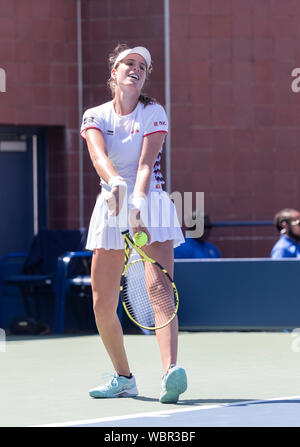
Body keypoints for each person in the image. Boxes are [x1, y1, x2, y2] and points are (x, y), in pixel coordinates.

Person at [80, 44, 187, 403]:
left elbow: (145, 164)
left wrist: (136, 205)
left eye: (143, 65)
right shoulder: (94, 115)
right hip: (110, 204)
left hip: (150, 203)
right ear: (114, 71)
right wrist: (116, 187)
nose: (137, 68)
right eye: (130, 62)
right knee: (101, 303)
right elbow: (98, 156)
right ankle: (124, 377)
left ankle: (171, 371)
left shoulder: (153, 111)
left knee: (159, 292)